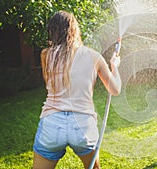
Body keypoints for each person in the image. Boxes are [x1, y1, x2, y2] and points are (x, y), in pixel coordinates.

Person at [32, 11, 121, 169]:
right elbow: (115, 89)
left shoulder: (46, 55)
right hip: (83, 125)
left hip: (52, 123)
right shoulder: (94, 56)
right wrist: (114, 66)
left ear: (53, 31)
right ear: (74, 29)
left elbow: (49, 86)